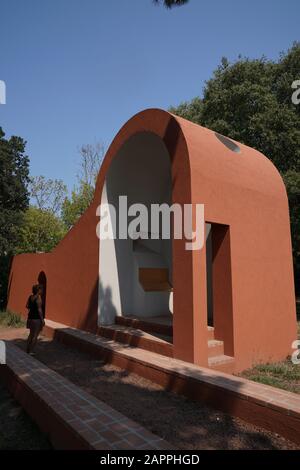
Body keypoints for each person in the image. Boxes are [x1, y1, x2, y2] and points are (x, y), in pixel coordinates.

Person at [26, 284, 45, 355]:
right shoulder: (38, 298)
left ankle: (27, 349)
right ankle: (31, 351)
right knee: (35, 335)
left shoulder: (30, 297)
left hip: (30, 318)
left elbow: (27, 306)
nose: (42, 291)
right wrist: (42, 320)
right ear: (38, 290)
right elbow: (39, 310)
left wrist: (31, 311)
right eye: (41, 289)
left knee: (31, 334)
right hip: (36, 319)